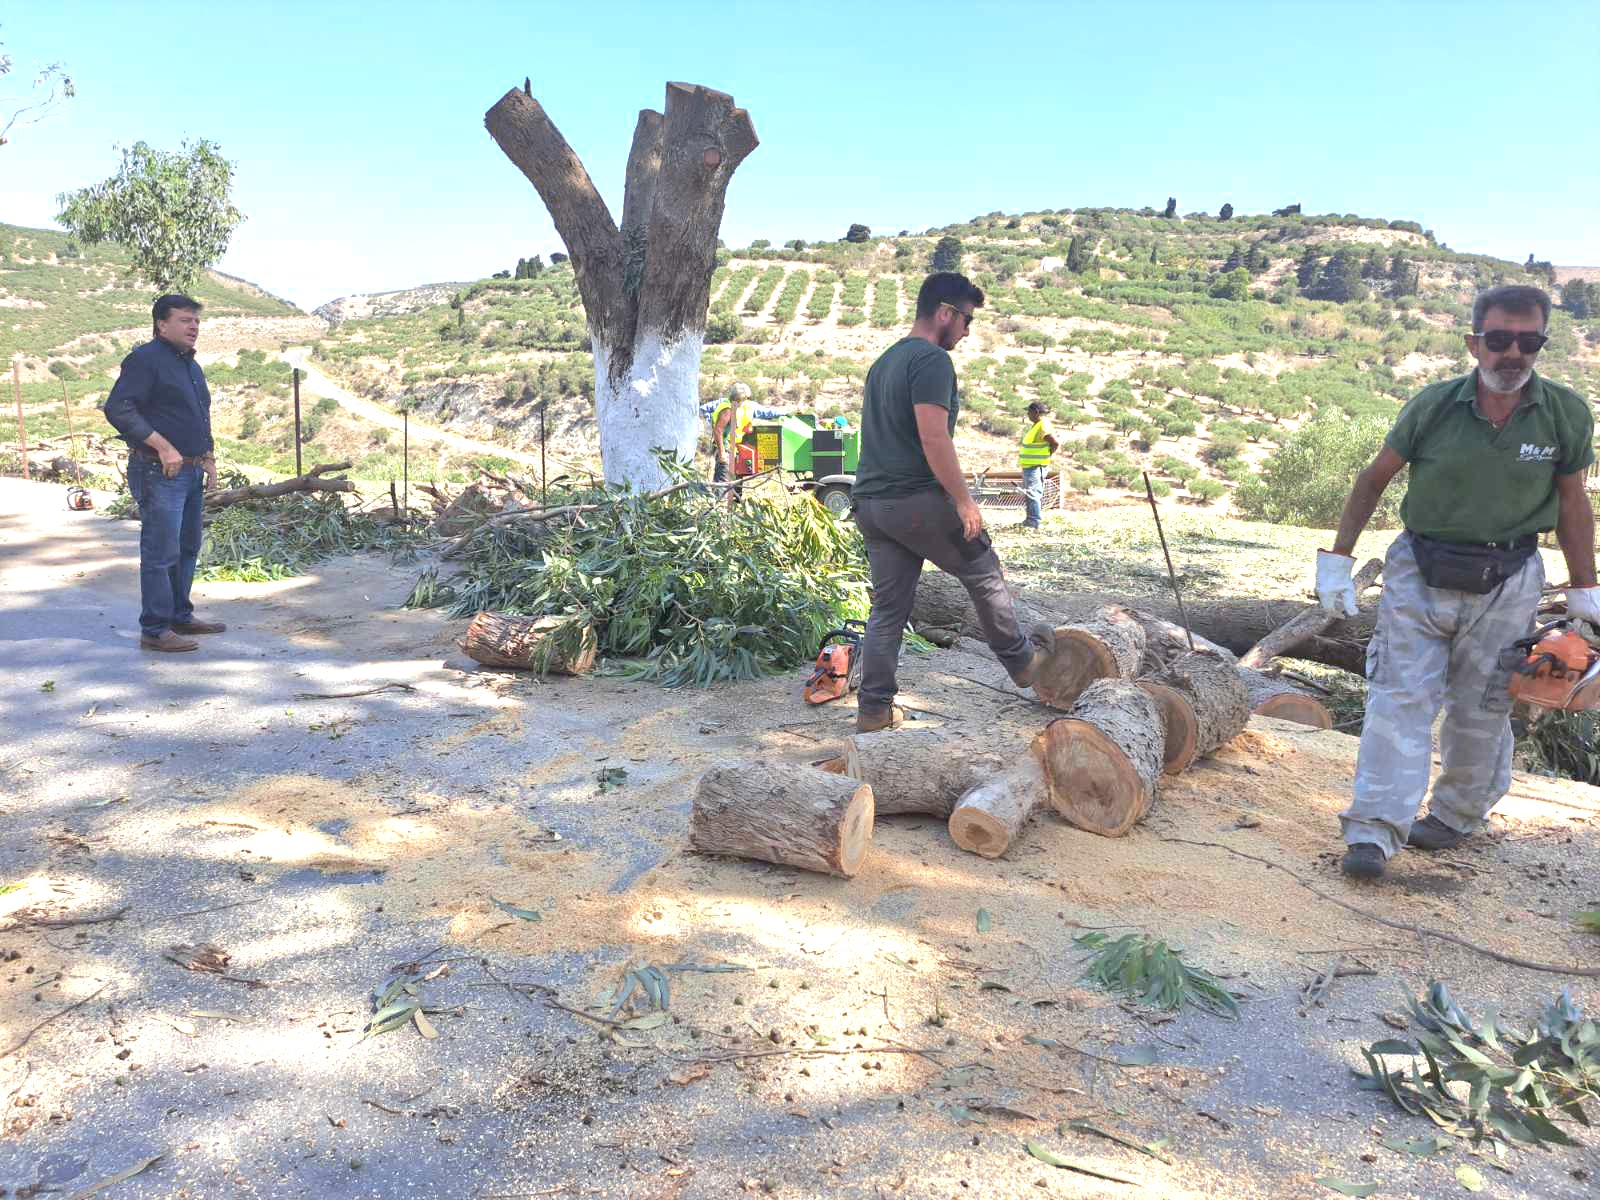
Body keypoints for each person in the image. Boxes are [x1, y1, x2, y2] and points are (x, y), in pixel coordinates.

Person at [1317, 285, 1598, 880]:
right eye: (1498, 340)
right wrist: (1337, 559)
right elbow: (1373, 481)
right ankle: (1373, 831)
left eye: (1528, 341)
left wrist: (1584, 588)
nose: (1512, 354)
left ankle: (1455, 816)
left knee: (1483, 707)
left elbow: (1573, 504)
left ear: (1542, 344)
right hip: (1420, 569)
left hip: (1512, 576)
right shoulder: (1435, 405)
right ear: (1475, 342)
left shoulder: (1566, 414)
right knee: (1399, 698)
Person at [849, 272, 1051, 733]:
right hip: (914, 499)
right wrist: (964, 502)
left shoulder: (885, 362)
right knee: (983, 570)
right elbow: (933, 437)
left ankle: (874, 710)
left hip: (872, 505)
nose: (966, 331)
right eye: (966, 321)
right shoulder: (931, 361)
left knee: (887, 610)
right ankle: (1022, 662)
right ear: (944, 313)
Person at [103, 294, 226, 653]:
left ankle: (179, 616)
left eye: (196, 321)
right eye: (186, 320)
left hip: (189, 471)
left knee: (188, 546)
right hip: (157, 471)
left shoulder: (189, 365)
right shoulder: (145, 360)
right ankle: (155, 629)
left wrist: (208, 456)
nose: (194, 327)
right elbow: (118, 408)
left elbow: (198, 415)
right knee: (161, 550)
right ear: (162, 324)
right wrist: (163, 446)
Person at [1018, 400, 1059, 529]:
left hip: (1036, 466)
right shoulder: (1037, 425)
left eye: (1029, 412)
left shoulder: (1043, 425)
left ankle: (1034, 522)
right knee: (1030, 493)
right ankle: (1030, 520)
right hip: (1031, 465)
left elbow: (1054, 443)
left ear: (1035, 412)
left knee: (1033, 493)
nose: (1028, 414)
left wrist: (1047, 455)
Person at [709, 382, 754, 483]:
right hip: (724, 448)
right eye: (745, 398)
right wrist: (722, 453)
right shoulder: (727, 410)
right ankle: (720, 498)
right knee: (722, 480)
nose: (745, 401)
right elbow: (718, 430)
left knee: (730, 481)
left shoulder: (728, 405)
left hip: (729, 448)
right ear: (739, 398)